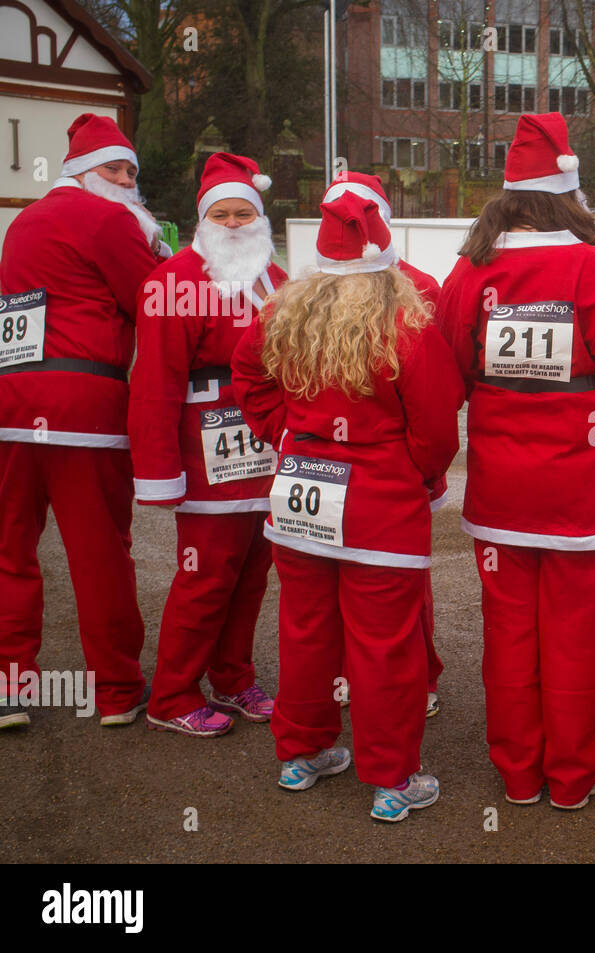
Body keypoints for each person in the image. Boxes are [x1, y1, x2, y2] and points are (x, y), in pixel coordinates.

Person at [434, 112, 595, 809]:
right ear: (568, 195)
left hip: (500, 488)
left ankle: (518, 773)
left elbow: (446, 370)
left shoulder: (472, 269)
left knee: (509, 635)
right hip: (579, 490)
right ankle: (571, 776)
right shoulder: (590, 266)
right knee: (578, 637)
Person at [231, 192, 463, 822]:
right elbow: (438, 426)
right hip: (380, 501)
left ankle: (300, 755)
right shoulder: (407, 327)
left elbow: (246, 376)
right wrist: (412, 470)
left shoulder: (283, 312)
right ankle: (391, 779)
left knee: (304, 629)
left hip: (301, 484)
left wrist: (291, 431)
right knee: (386, 644)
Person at [0, 113, 168, 730]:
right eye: (115, 169)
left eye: (130, 172)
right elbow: (153, 301)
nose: (126, 181)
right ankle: (117, 691)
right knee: (98, 553)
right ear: (83, 173)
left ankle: (7, 687)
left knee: (8, 548)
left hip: (9, 401)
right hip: (82, 404)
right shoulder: (108, 219)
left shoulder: (22, 223)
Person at [129, 153, 286, 737]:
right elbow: (155, 383)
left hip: (264, 452)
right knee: (204, 577)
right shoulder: (170, 283)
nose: (235, 223)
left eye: (245, 212)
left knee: (252, 576)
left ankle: (234, 676)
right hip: (204, 456)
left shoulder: (277, 280)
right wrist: (159, 470)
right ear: (202, 220)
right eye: (221, 213)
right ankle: (171, 693)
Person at [322, 171, 446, 718]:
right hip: (341, 464)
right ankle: (348, 675)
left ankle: (419, 675)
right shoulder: (310, 293)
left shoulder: (420, 287)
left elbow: (437, 396)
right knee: (332, 578)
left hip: (393, 462)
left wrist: (418, 464)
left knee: (403, 581)